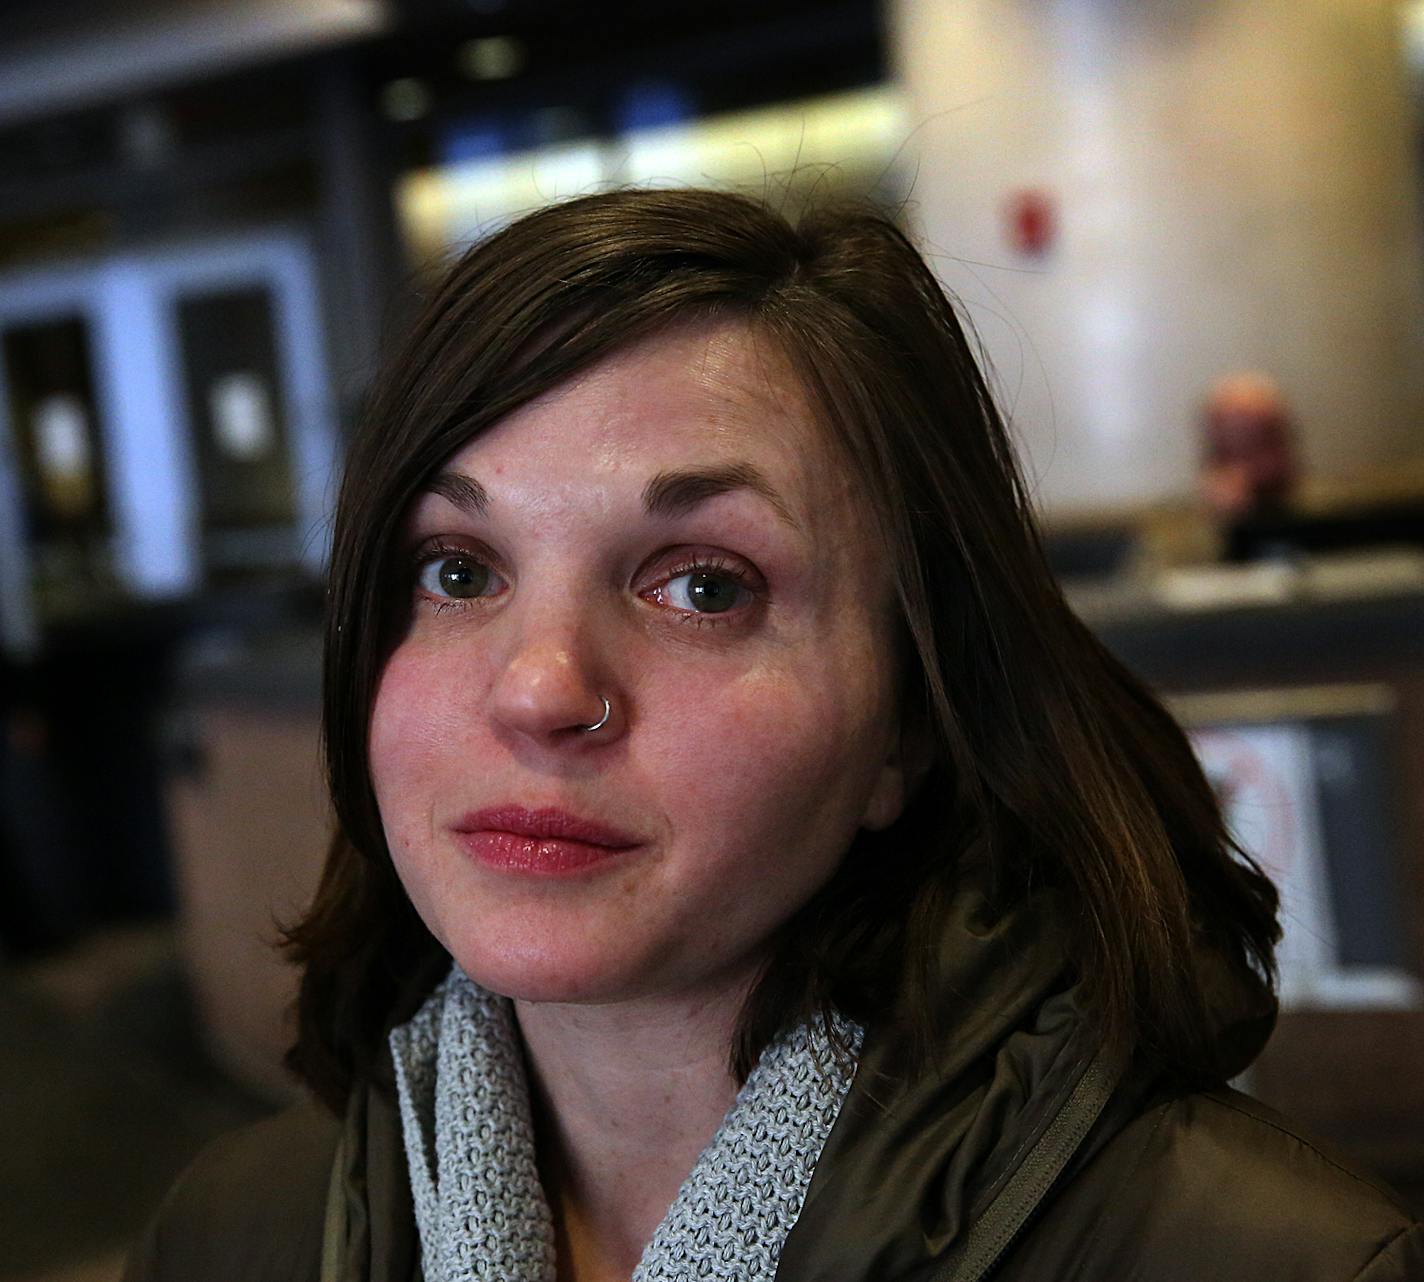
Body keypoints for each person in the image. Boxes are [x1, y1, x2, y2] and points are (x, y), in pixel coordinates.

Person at [126, 189, 1421, 1281]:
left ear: (911, 717)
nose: (538, 687)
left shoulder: (1257, 1257)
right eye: (459, 569)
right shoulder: (236, 1234)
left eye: (704, 584)